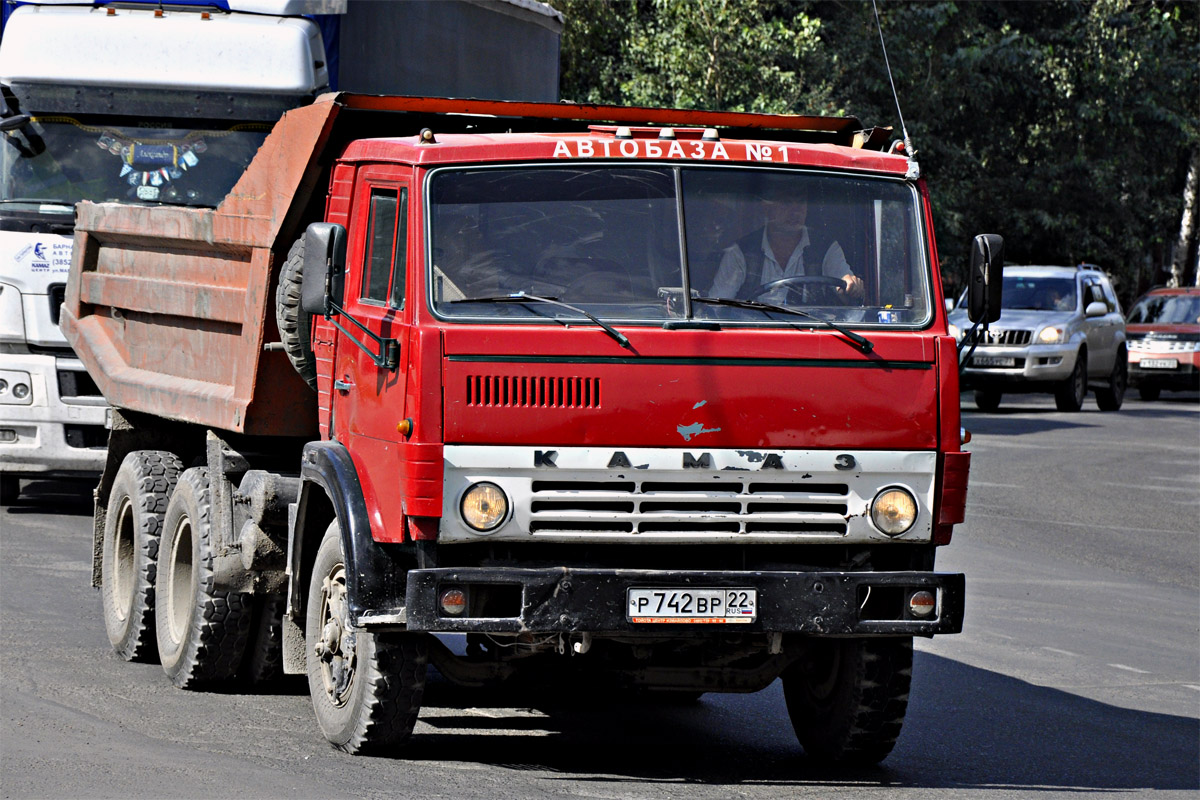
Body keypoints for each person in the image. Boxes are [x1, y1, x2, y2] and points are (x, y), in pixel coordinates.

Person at [708, 184, 864, 305]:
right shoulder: (741, 252)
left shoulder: (826, 248)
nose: (795, 211)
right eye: (786, 203)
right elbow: (718, 305)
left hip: (811, 337)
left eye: (801, 202)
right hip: (755, 338)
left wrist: (851, 287)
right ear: (767, 208)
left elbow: (845, 286)